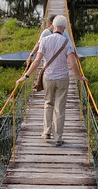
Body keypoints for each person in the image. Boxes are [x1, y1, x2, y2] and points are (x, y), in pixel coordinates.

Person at [16, 15, 88, 147]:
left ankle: (46, 132)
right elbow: (72, 64)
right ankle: (58, 138)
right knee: (59, 108)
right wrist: (80, 77)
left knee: (48, 104)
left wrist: (25, 76)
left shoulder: (45, 40)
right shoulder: (67, 42)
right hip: (62, 79)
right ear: (65, 28)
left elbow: (37, 61)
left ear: (53, 26)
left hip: (48, 77)